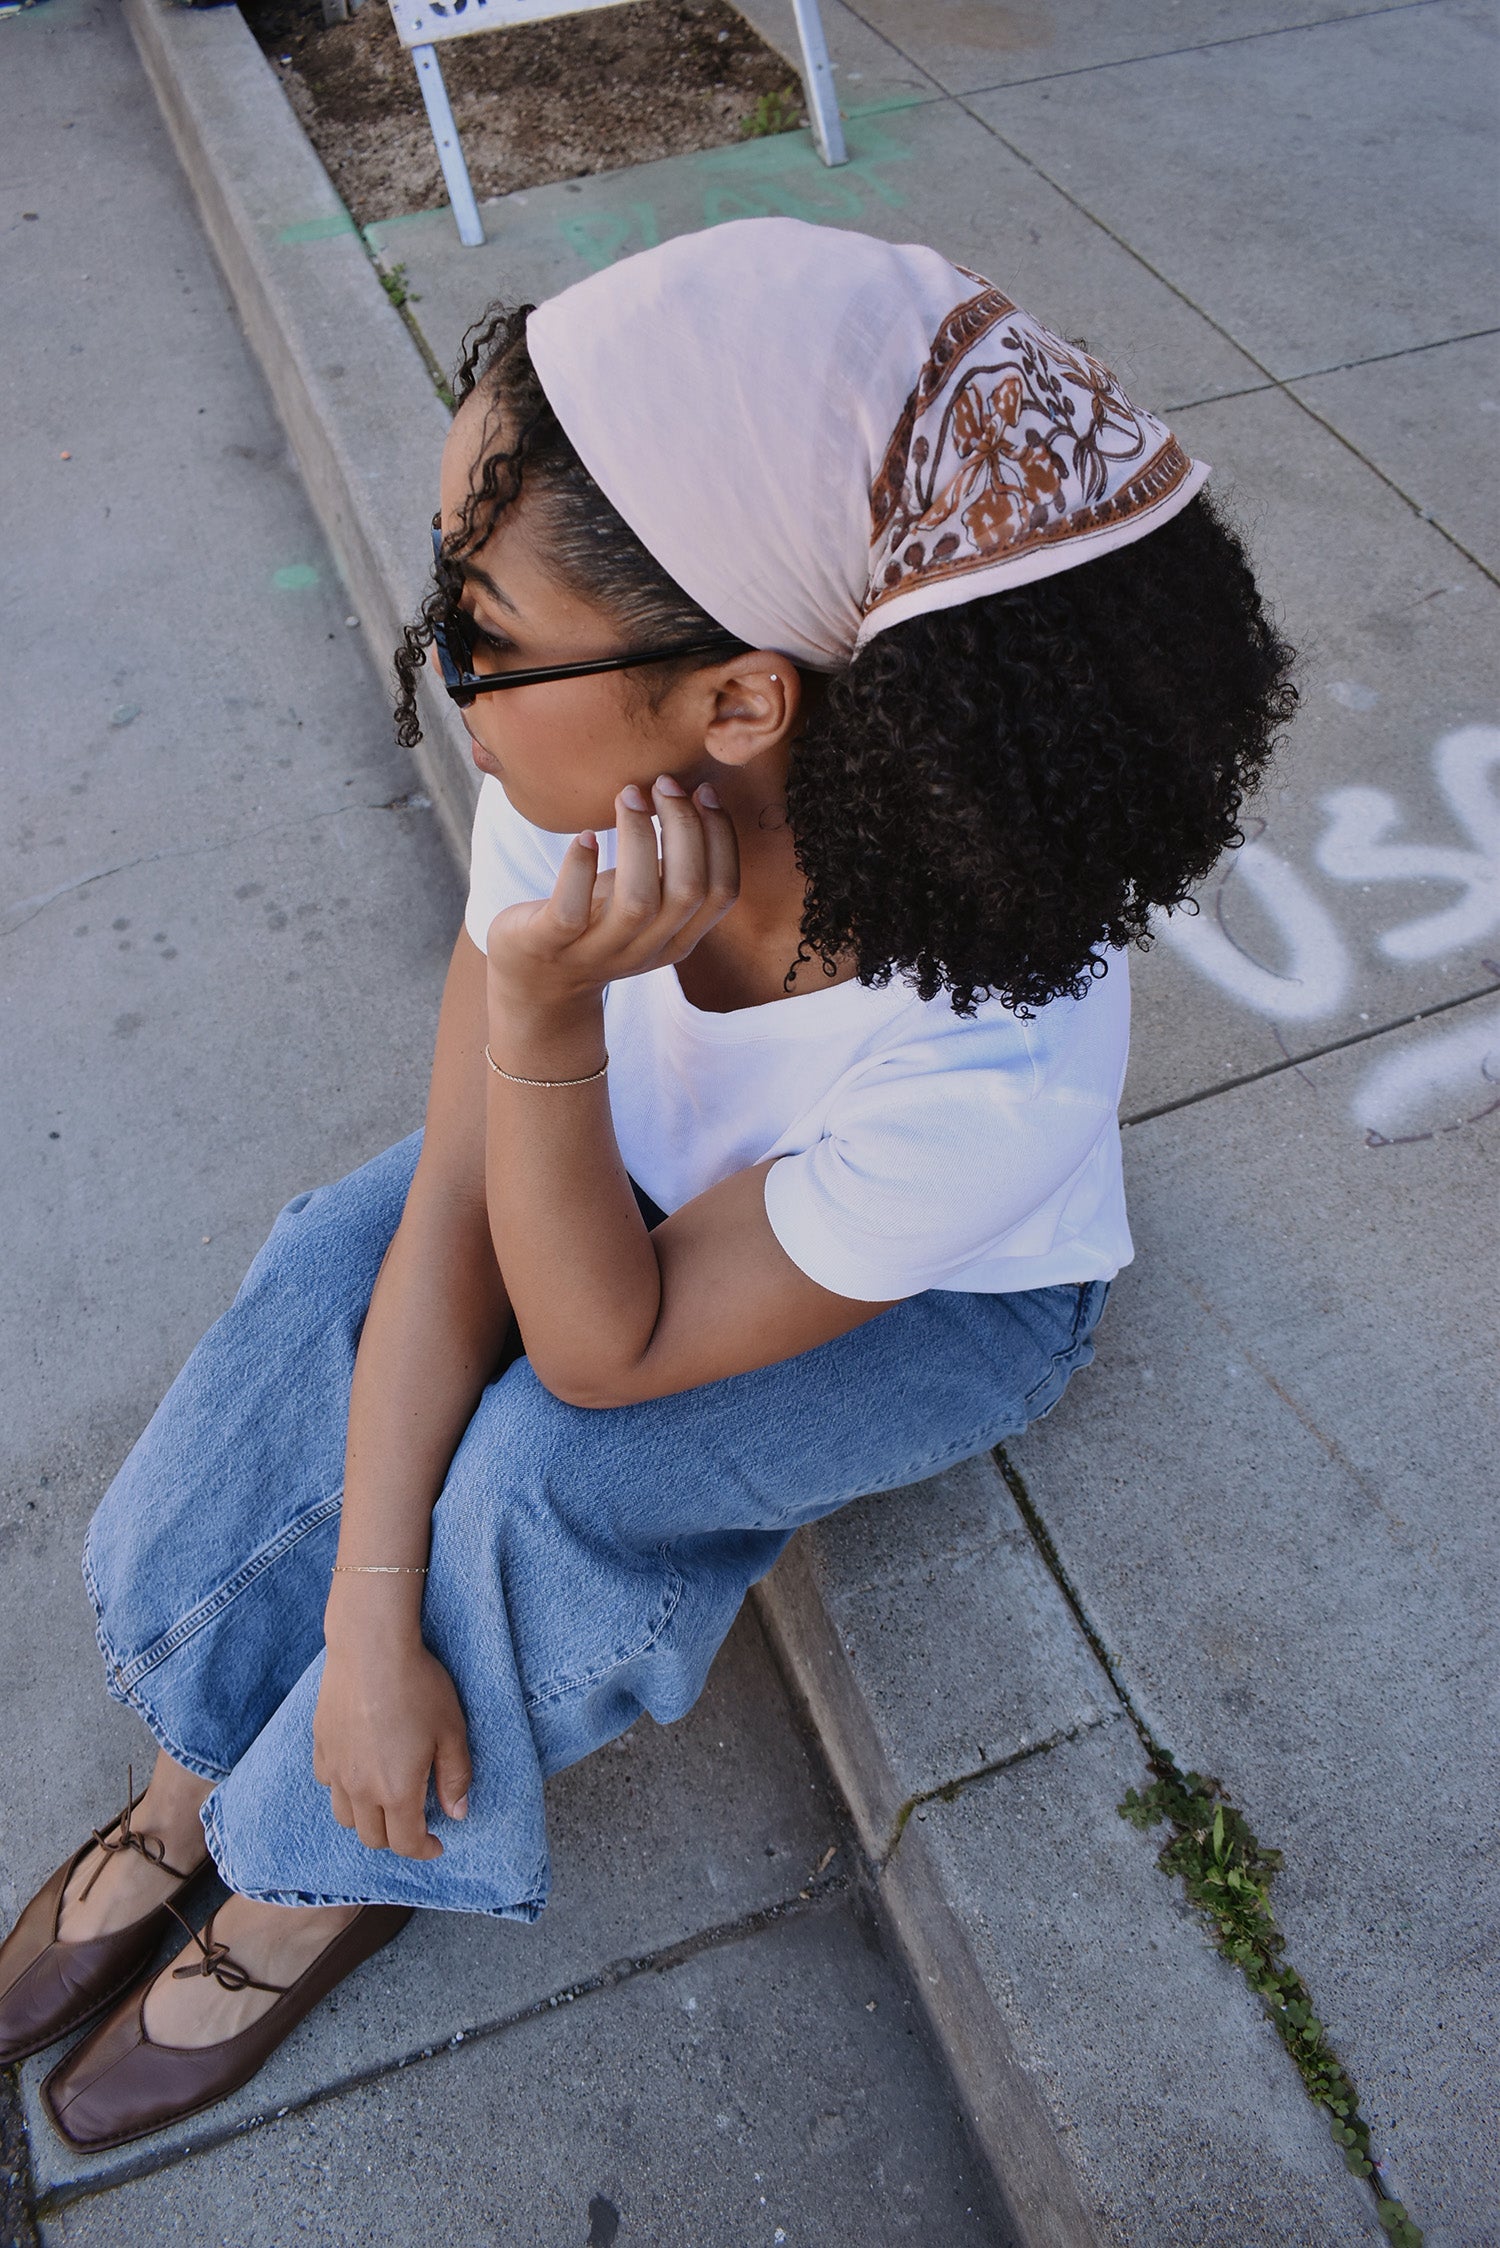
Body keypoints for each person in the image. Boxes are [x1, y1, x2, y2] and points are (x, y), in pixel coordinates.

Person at [1, 219, 1295, 2152]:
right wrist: (364, 1626)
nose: (444, 671)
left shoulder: (988, 1065)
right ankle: (201, 1766)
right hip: (636, 1169)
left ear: (740, 702)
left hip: (944, 1308)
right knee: (337, 1262)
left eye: (479, 633)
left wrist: (543, 1017)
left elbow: (599, 1358)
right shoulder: (594, 794)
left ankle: (327, 1861)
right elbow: (451, 1218)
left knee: (549, 1472)